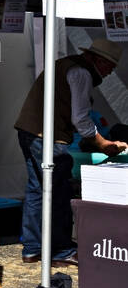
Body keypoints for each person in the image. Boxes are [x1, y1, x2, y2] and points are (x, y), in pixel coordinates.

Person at [14, 37, 127, 267]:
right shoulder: (81, 73)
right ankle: (62, 249)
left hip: (29, 131)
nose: (110, 73)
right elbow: (81, 119)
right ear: (98, 60)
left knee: (37, 189)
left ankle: (33, 249)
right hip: (47, 136)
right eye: (110, 67)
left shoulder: (66, 64)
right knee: (59, 192)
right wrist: (103, 143)